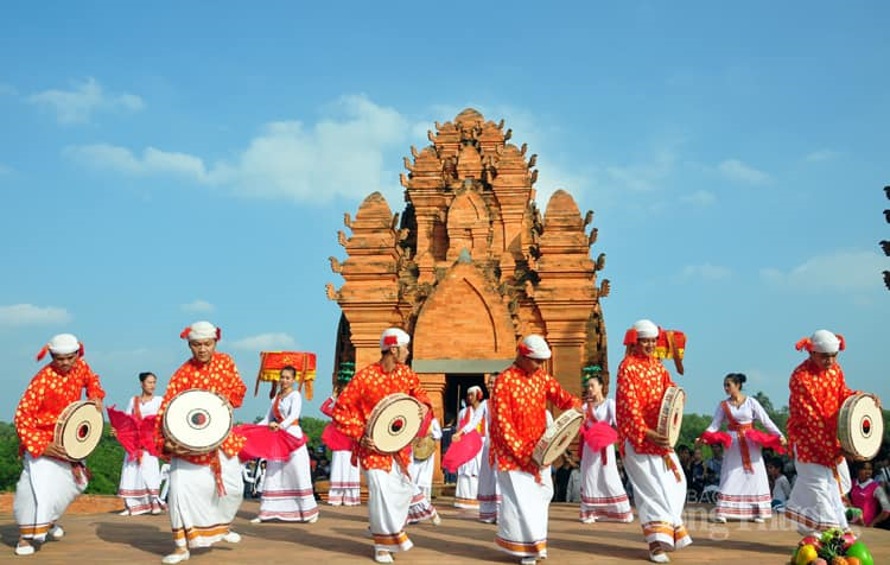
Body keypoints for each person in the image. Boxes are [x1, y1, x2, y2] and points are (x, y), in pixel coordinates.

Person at [332, 328, 437, 564]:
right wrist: (360, 435)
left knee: (397, 493)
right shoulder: (365, 377)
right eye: (405, 348)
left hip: (399, 448)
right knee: (380, 493)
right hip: (372, 448)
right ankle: (383, 543)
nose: (408, 352)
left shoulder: (407, 375)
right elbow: (340, 410)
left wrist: (423, 405)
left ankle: (384, 529)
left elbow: (422, 396)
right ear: (393, 348)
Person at [154, 321, 246, 565]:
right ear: (189, 345)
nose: (202, 349)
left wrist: (229, 398)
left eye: (207, 344)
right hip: (187, 446)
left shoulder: (226, 362)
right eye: (196, 345)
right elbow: (166, 411)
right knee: (180, 494)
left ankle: (220, 527)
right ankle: (181, 548)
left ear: (215, 343)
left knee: (234, 489)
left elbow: (239, 390)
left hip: (222, 439)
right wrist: (166, 443)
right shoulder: (182, 374)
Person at [489, 334, 581, 565]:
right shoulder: (504, 381)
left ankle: (534, 542)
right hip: (513, 455)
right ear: (522, 355)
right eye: (536, 360)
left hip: (540, 452)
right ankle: (529, 548)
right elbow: (502, 423)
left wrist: (576, 408)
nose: (540, 365)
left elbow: (562, 397)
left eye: (542, 361)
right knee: (522, 500)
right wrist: (521, 453)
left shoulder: (542, 378)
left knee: (541, 496)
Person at [12, 333, 106, 556]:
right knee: (35, 488)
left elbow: (92, 380)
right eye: (58, 358)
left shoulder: (81, 366)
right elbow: (22, 416)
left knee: (74, 484)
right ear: (51, 355)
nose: (64, 363)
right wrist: (43, 445)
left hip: (71, 440)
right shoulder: (42, 380)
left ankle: (48, 521)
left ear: (77, 354)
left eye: (69, 357)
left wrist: (95, 395)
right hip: (43, 442)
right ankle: (25, 537)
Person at [615, 319, 692, 564]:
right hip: (639, 439)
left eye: (651, 341)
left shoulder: (658, 366)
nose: (648, 345)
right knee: (652, 491)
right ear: (635, 342)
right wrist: (645, 432)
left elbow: (670, 390)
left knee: (676, 485)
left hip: (661, 439)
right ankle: (656, 544)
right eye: (644, 341)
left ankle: (667, 531)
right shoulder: (627, 367)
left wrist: (679, 395)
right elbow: (628, 405)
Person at [785, 329, 871, 535]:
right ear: (812, 353)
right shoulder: (801, 378)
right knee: (819, 487)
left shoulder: (836, 370)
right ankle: (832, 534)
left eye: (834, 355)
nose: (830, 360)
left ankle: (817, 530)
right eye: (825, 356)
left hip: (831, 439)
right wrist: (841, 450)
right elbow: (812, 419)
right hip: (808, 442)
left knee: (835, 486)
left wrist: (863, 401)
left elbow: (844, 395)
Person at [697, 373, 786, 523]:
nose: (726, 388)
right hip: (732, 443)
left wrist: (779, 435)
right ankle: (724, 511)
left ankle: (758, 511)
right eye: (724, 385)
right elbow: (715, 425)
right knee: (730, 473)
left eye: (728, 385)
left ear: (737, 385)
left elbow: (766, 420)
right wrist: (703, 437)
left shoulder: (751, 402)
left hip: (750, 441)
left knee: (754, 473)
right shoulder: (723, 406)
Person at [250, 365, 319, 523]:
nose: (284, 380)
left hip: (292, 435)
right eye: (282, 377)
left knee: (298, 471)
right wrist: (252, 429)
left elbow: (294, 414)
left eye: (288, 378)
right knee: (273, 472)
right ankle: (266, 512)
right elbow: (268, 419)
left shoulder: (295, 395)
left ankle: (309, 512)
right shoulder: (276, 398)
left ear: (293, 380)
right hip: (278, 437)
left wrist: (280, 426)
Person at [578, 368, 633, 523]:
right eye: (587, 386)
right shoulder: (584, 407)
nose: (589, 389)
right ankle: (590, 512)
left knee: (608, 476)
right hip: (589, 448)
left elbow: (618, 424)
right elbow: (579, 425)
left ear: (601, 386)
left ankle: (621, 511)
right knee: (589, 476)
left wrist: (606, 434)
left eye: (592, 385)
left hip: (604, 447)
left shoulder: (609, 404)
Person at [116, 372, 164, 516]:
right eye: (149, 382)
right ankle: (132, 506)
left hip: (149, 441)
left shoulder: (159, 400)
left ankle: (154, 502)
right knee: (132, 472)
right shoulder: (134, 400)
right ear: (142, 384)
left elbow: (162, 419)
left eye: (154, 382)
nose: (152, 385)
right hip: (135, 442)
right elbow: (127, 419)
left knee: (149, 471)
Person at [320, 383, 361, 506]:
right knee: (338, 469)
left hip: (352, 443)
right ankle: (336, 497)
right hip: (339, 443)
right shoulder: (337, 411)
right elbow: (323, 408)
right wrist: (332, 398)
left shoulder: (356, 412)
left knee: (351, 470)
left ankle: (350, 498)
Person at [453, 386, 486, 509]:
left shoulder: (485, 410)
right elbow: (459, 429)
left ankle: (480, 498)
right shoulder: (463, 413)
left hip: (482, 444)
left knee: (479, 471)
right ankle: (464, 499)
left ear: (478, 395)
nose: (470, 397)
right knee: (465, 471)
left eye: (472, 394)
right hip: (467, 445)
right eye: (468, 395)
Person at [848, 460, 890, 528]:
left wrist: (873, 523)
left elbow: (887, 510)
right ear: (858, 470)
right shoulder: (852, 483)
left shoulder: (876, 487)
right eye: (864, 468)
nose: (868, 472)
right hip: (851, 524)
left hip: (865, 526)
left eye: (870, 469)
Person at [409, 416, 442, 499]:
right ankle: (413, 496)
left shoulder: (432, 420)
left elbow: (439, 434)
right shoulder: (414, 417)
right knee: (413, 474)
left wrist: (430, 432)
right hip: (414, 450)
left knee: (425, 476)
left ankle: (424, 498)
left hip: (427, 451)